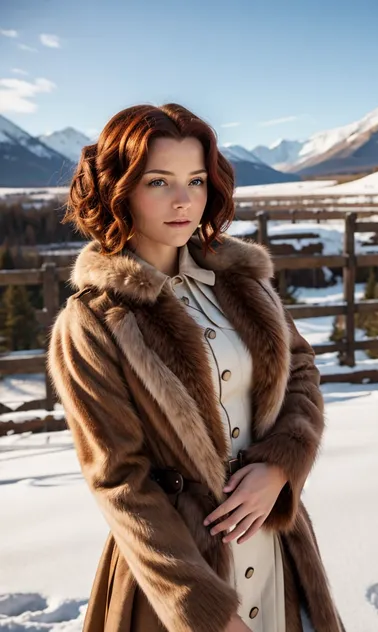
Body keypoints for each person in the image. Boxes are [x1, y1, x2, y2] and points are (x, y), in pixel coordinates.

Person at [48, 103, 345, 632]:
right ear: (119, 189)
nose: (184, 200)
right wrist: (205, 612)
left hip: (280, 552)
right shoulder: (94, 321)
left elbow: (301, 369)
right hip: (176, 583)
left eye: (197, 180)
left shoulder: (243, 284)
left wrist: (281, 465)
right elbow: (121, 482)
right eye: (159, 181)